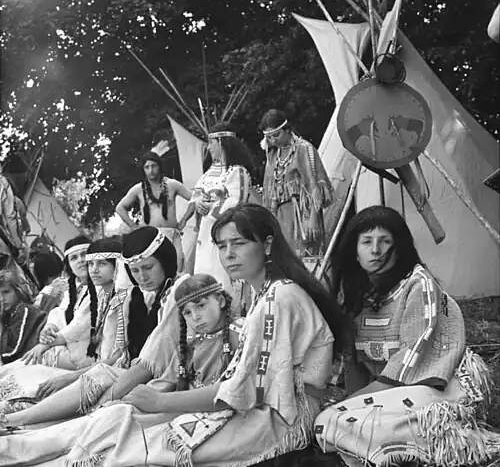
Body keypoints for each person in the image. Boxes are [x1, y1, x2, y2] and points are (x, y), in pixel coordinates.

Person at [0, 204, 354, 466]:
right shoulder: (262, 294)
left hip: (276, 418)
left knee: (131, 444)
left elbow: (246, 391)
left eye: (238, 243)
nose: (228, 254)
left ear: (267, 244)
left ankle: (18, 446)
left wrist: (161, 402)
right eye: (221, 246)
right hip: (244, 402)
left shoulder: (279, 297)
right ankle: (14, 442)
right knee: (116, 420)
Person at [314, 206, 500, 467]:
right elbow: (355, 364)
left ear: (399, 247)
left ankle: (461, 442)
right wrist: (353, 401)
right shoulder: (356, 294)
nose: (375, 250)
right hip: (386, 395)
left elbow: (410, 361)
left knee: (339, 423)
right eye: (366, 242)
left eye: (385, 241)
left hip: (434, 392)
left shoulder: (419, 285)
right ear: (355, 252)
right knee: (330, 425)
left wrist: (351, 404)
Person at [0, 226, 180, 426]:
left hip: (140, 376)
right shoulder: (126, 295)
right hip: (110, 367)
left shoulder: (162, 295)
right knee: (43, 366)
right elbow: (72, 324)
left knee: (89, 376)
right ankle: (16, 415)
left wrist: (102, 399)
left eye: (148, 267)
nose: (142, 277)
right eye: (135, 270)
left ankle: (16, 419)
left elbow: (138, 361)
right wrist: (48, 338)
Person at [181, 122, 255, 296]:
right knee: (204, 275)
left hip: (227, 234)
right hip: (205, 235)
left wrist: (212, 208)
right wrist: (198, 203)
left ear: (221, 142)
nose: (209, 148)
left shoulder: (237, 171)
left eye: (211, 143)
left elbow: (237, 202)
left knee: (224, 278)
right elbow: (196, 195)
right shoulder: (208, 173)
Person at [260, 109, 334, 262]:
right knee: (284, 261)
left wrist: (313, 218)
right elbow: (269, 189)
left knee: (306, 260)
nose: (273, 140)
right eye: (269, 137)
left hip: (302, 214)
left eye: (276, 135)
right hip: (280, 216)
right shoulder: (272, 154)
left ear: (287, 130)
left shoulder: (304, 149)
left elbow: (314, 184)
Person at [21, 236, 93, 369]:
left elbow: (80, 325)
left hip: (89, 355)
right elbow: (59, 313)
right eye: (74, 258)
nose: (80, 260)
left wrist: (45, 344)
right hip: (69, 347)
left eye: (84, 254)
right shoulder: (74, 289)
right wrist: (50, 328)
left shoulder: (100, 289)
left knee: (31, 363)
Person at [115, 151, 192, 272]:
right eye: (147, 167)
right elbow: (120, 208)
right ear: (143, 169)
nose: (151, 170)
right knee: (157, 269)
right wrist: (134, 227)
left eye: (154, 166)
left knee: (178, 267)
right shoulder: (138, 189)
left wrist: (184, 220)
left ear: (159, 166)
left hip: (171, 233)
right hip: (150, 237)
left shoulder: (172, 184)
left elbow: (194, 199)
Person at [0, 270, 46, 365]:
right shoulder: (8, 314)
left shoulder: (24, 310)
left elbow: (10, 353)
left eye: (6, 292)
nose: (2, 298)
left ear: (18, 291)